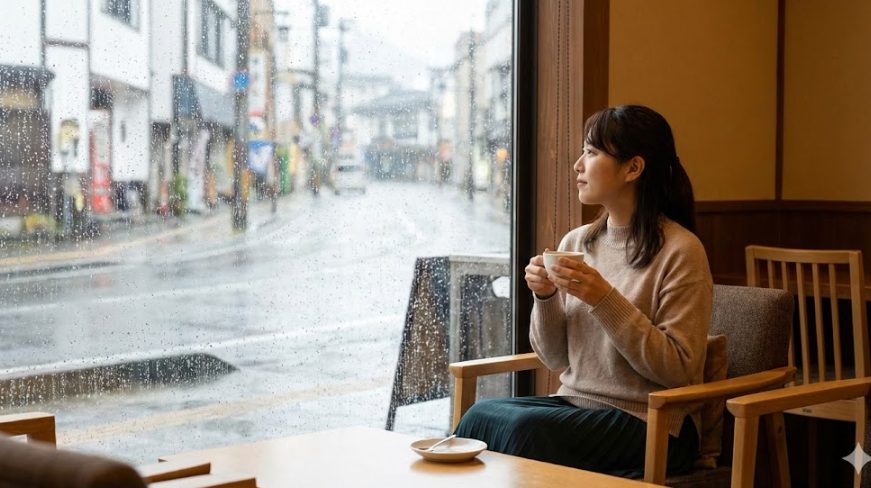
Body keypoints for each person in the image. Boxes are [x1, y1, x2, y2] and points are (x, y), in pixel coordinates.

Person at [455, 105, 713, 478]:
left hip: (654, 421)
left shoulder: (681, 251)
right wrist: (543, 298)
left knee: (524, 430)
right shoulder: (578, 242)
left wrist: (603, 299)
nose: (577, 165)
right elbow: (555, 357)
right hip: (577, 405)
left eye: (591, 153)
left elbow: (678, 370)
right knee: (481, 416)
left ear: (633, 168)